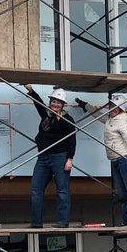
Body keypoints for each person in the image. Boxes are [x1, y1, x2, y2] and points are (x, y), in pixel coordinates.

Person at [75, 93, 127, 227]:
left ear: (121, 110)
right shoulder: (109, 119)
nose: (113, 109)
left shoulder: (121, 121)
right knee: (122, 191)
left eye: (116, 107)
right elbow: (97, 114)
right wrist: (85, 105)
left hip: (125, 158)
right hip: (115, 159)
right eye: (111, 106)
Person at [24, 85, 77, 228]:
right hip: (43, 157)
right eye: (53, 101)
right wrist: (31, 90)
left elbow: (72, 140)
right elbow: (38, 104)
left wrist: (70, 159)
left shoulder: (67, 119)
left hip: (60, 156)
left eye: (58, 102)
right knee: (36, 189)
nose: (55, 104)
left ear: (63, 105)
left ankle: (62, 221)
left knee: (62, 190)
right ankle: (36, 223)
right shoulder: (46, 115)